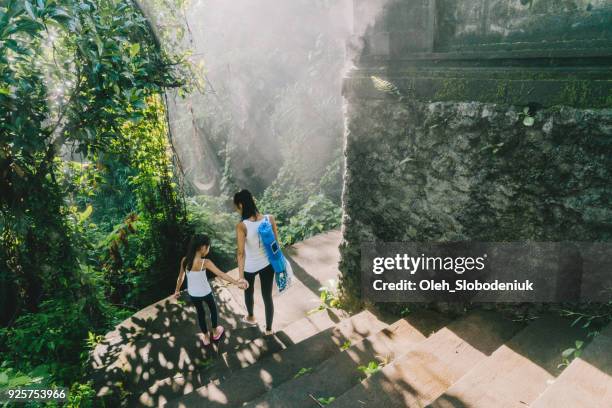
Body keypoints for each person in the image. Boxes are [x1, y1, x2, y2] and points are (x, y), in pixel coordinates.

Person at [174, 234, 247, 346]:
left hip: (193, 294)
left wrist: (177, 290)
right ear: (203, 247)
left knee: (200, 313)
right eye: (208, 247)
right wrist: (237, 283)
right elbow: (221, 274)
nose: (209, 249)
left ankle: (206, 337)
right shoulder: (205, 262)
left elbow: (180, 277)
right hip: (206, 292)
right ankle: (215, 331)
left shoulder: (185, 260)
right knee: (213, 310)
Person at [234, 189, 279, 335]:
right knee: (267, 296)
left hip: (250, 267)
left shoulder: (242, 226)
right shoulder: (269, 218)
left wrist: (241, 277)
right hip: (267, 265)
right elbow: (276, 244)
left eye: (236, 206)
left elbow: (241, 253)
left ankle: (251, 317)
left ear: (241, 205)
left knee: (249, 292)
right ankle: (269, 329)